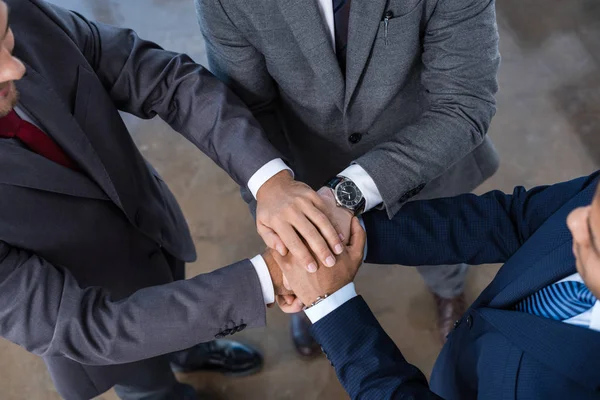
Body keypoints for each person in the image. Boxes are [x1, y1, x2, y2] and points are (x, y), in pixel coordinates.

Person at [0, 0, 300, 398]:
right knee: (151, 390)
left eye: (4, 38)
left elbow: (162, 78)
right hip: (106, 330)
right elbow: (87, 327)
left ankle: (192, 351)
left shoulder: (21, 11)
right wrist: (265, 279)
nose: (15, 67)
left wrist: (269, 179)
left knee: (186, 321)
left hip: (154, 227)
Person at [195, 0, 502, 353]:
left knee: (439, 245)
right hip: (304, 164)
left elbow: (463, 103)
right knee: (308, 251)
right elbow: (249, 113)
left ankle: (448, 290)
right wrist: (284, 229)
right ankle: (316, 298)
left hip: (426, 152)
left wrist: (344, 194)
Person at [278, 171, 600, 399]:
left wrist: (331, 304)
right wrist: (346, 236)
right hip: (462, 360)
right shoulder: (583, 218)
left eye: (598, 243)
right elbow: (513, 219)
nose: (575, 222)